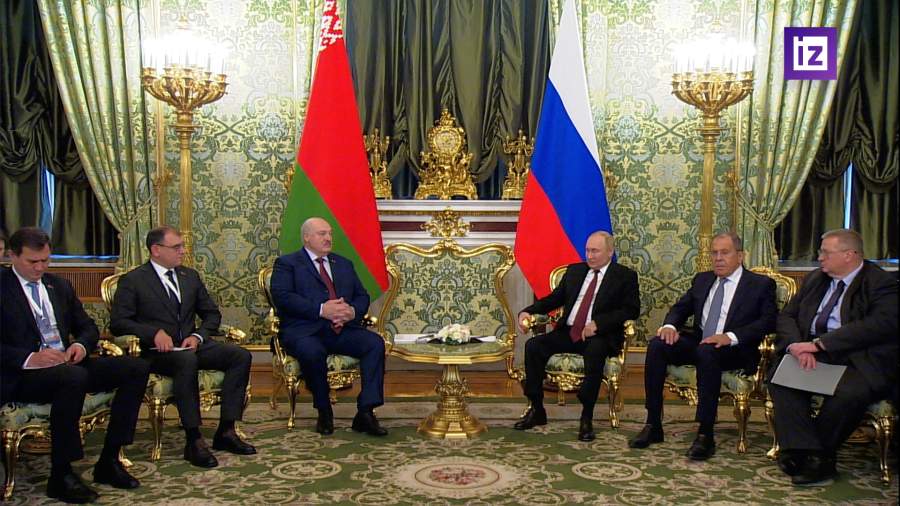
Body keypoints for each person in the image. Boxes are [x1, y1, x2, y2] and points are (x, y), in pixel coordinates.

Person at [1, 227, 150, 503]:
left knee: (136, 368)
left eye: (45, 260)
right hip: (22, 374)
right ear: (12, 256)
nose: (40, 267)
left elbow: (88, 327)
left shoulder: (58, 286)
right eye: (33, 262)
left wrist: (80, 345)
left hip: (67, 364)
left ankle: (109, 460)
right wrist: (30, 358)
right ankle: (61, 474)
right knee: (73, 378)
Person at [109, 226, 255, 468]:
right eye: (176, 247)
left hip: (190, 345)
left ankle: (226, 430)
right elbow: (119, 323)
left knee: (239, 355)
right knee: (186, 361)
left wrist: (198, 336)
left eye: (182, 246)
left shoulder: (190, 276)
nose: (183, 251)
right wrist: (153, 333)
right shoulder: (133, 280)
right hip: (156, 353)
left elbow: (211, 314)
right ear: (156, 250)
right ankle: (193, 439)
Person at [629, 232, 776, 460]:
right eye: (714, 253)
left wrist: (730, 336)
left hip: (734, 350)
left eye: (724, 253)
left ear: (740, 256)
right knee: (658, 345)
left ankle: (705, 434)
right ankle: (653, 424)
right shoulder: (703, 280)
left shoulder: (759, 284)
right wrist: (669, 325)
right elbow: (681, 308)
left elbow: (768, 321)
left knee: (707, 351)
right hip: (700, 342)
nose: (718, 258)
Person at [768, 229, 897, 485]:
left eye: (826, 253)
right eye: (820, 252)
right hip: (812, 352)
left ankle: (818, 457)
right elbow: (787, 316)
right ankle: (801, 450)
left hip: (858, 358)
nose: (820, 258)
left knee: (850, 393)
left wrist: (820, 345)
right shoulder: (816, 279)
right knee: (780, 379)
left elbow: (877, 326)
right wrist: (796, 346)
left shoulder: (880, 283)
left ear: (849, 255)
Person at [514, 231, 640, 441]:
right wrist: (528, 311)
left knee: (596, 352)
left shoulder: (624, 276)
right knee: (534, 346)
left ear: (610, 252)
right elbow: (554, 299)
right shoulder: (575, 271)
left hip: (598, 335)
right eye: (587, 250)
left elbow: (631, 310)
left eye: (595, 251)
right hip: (568, 331)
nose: (589, 256)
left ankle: (586, 417)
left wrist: (599, 324)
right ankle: (537, 409)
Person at [270, 217, 387, 436]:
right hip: (305, 330)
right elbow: (283, 298)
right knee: (312, 351)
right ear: (307, 237)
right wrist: (322, 310)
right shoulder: (288, 264)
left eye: (330, 233)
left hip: (341, 328)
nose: (328, 238)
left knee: (374, 343)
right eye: (322, 234)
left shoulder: (343, 263)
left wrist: (351, 312)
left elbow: (362, 295)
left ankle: (366, 412)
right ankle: (324, 410)